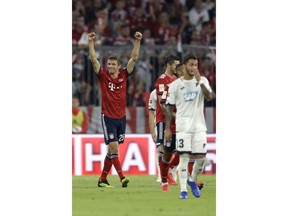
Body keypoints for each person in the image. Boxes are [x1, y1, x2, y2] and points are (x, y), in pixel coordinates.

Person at [88, 31, 142, 188]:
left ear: (119, 66)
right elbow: (93, 59)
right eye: (109, 64)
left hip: (121, 117)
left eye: (113, 64)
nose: (110, 66)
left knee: (111, 152)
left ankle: (102, 179)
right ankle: (122, 177)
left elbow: (134, 58)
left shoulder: (124, 75)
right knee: (114, 147)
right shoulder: (103, 76)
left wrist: (137, 41)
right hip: (108, 117)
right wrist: (91, 42)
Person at [165, 54, 214, 199]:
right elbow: (168, 107)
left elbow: (209, 97)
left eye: (196, 65)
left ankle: (192, 179)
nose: (194, 68)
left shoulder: (202, 81)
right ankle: (183, 191)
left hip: (199, 127)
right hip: (183, 127)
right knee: (184, 158)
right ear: (185, 66)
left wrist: (200, 81)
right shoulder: (175, 85)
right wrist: (168, 128)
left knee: (201, 158)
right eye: (191, 65)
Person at [154, 54, 180, 192]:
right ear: (169, 65)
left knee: (183, 148)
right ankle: (163, 177)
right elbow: (161, 103)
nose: (178, 67)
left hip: (176, 120)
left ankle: (169, 170)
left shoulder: (177, 79)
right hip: (164, 119)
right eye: (176, 64)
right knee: (164, 148)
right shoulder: (162, 80)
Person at [148, 88, 161, 183]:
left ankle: (172, 171)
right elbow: (151, 113)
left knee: (175, 151)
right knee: (160, 149)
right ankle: (161, 174)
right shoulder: (154, 93)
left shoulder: (176, 88)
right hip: (160, 123)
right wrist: (152, 131)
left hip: (174, 123)